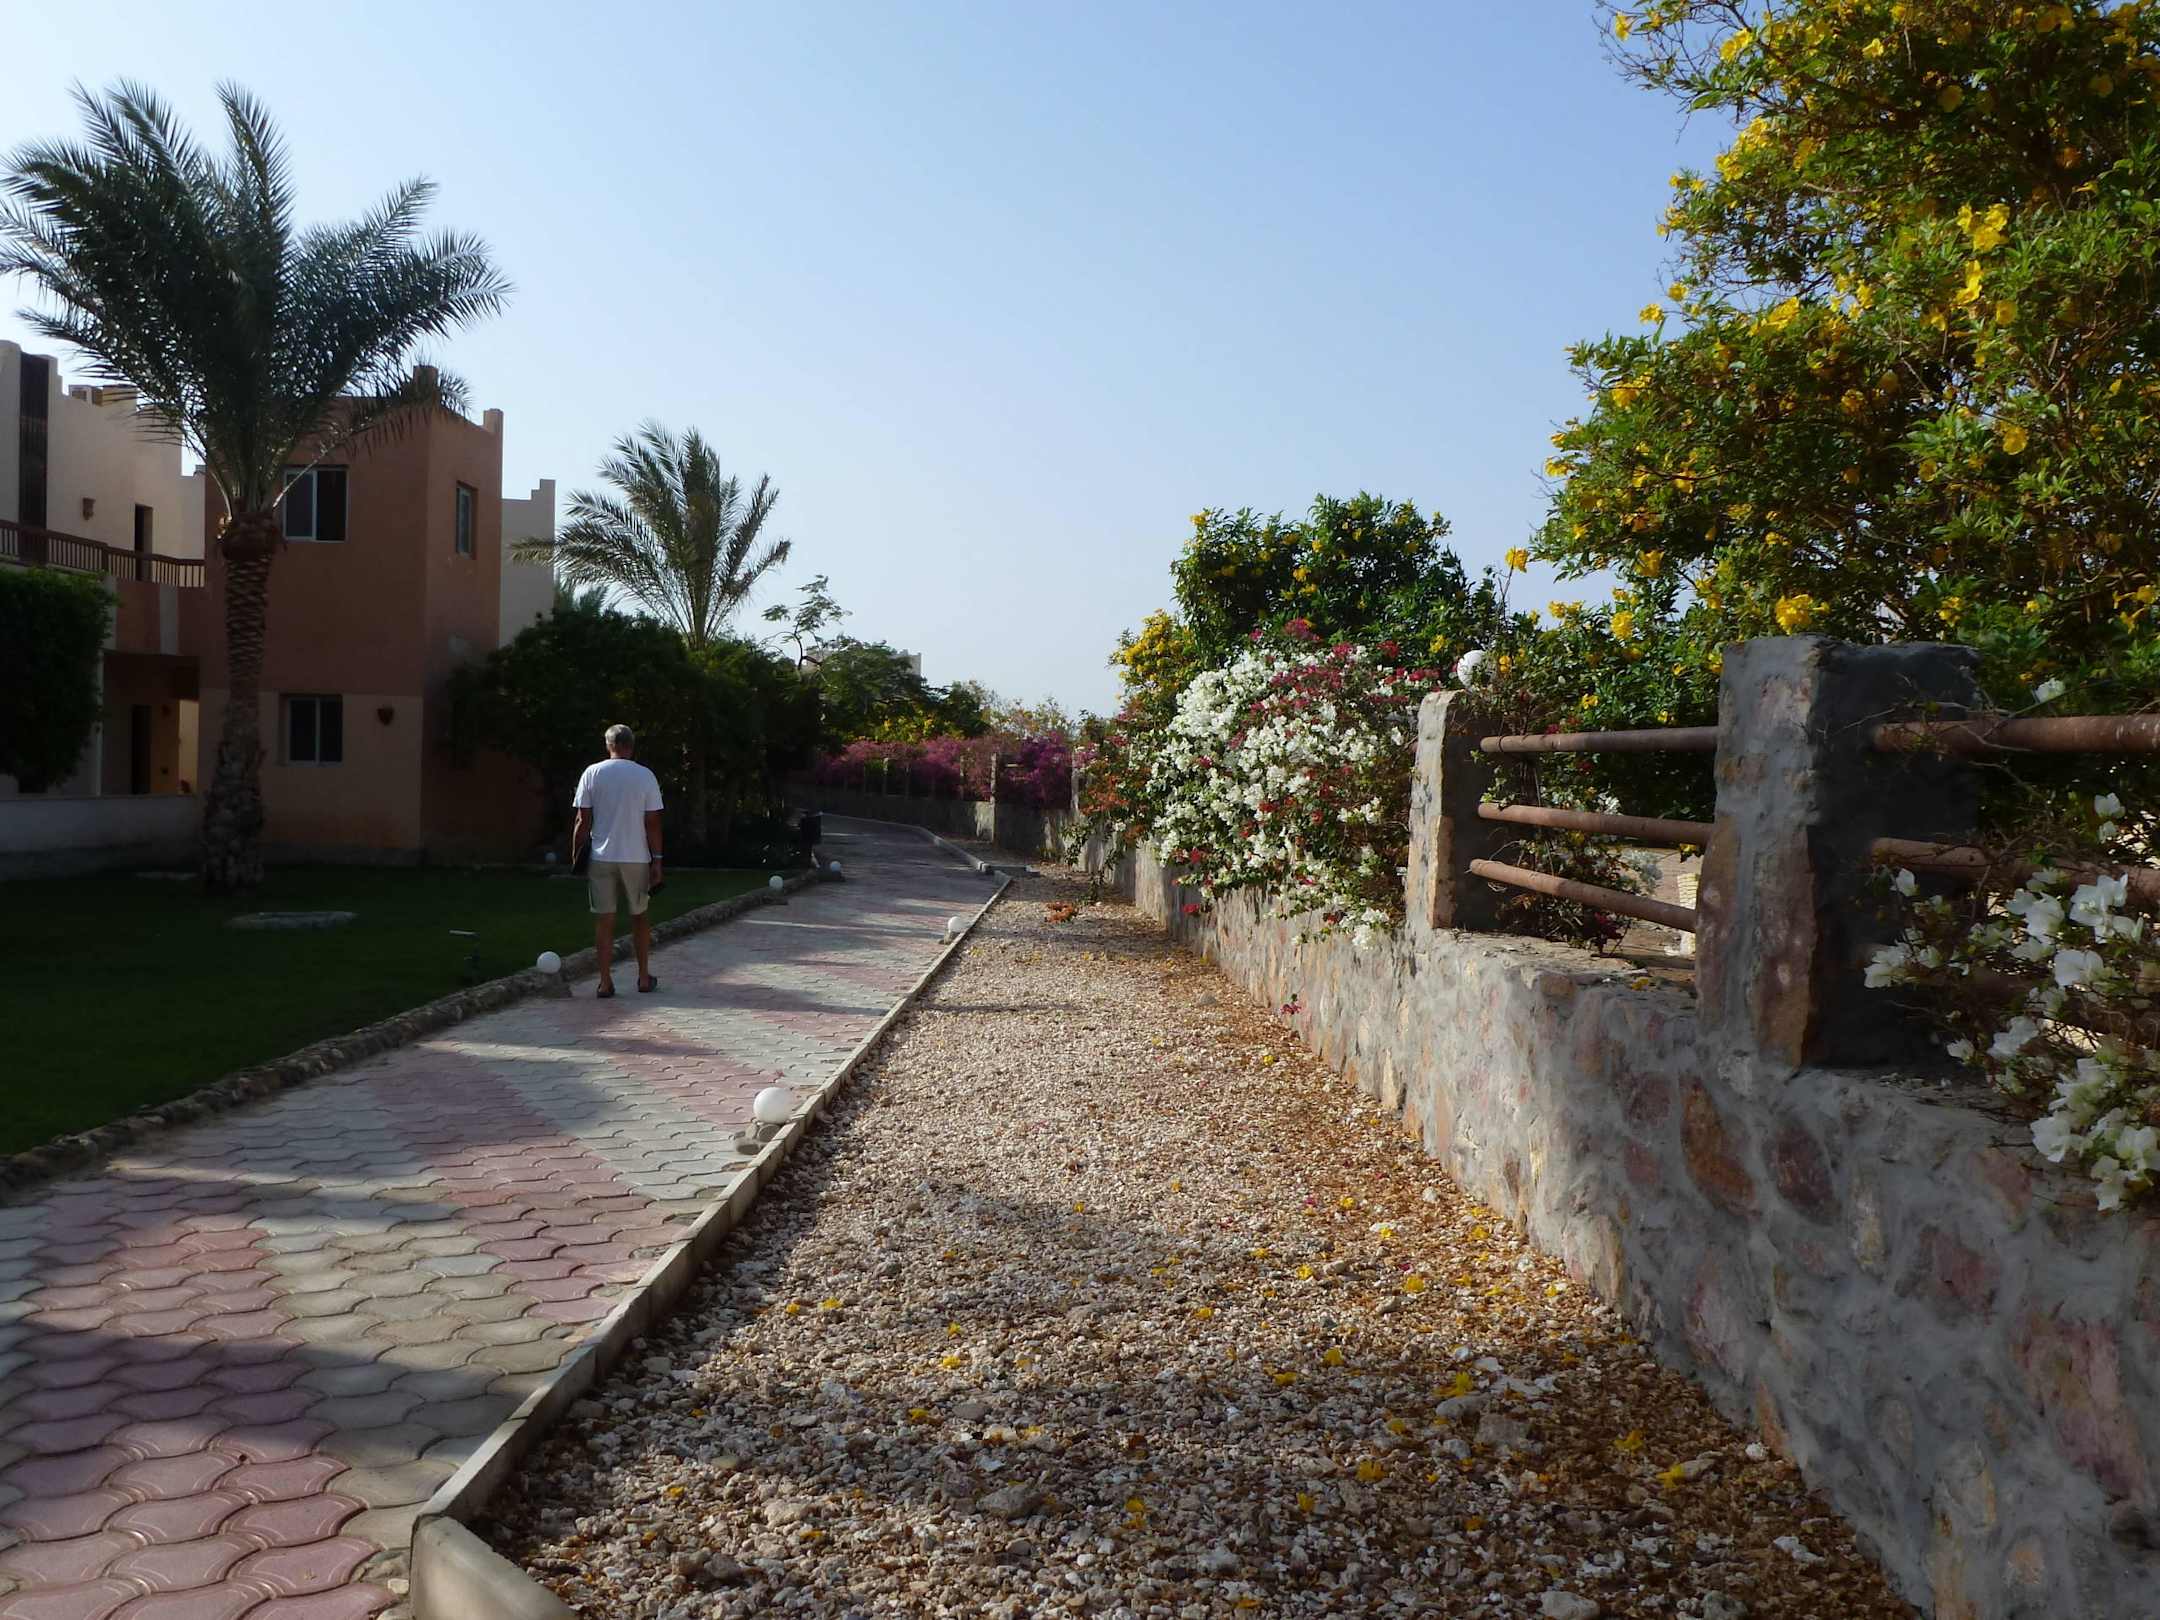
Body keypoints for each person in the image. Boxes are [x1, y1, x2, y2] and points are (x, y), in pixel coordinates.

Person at [570, 724, 665, 998]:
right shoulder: (645, 775)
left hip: (601, 857)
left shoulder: (592, 773)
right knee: (640, 917)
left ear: (608, 745)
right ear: (631, 746)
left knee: (604, 920)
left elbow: (582, 820)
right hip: (636, 857)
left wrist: (576, 853)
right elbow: (652, 822)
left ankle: (604, 982)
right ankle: (643, 977)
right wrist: (658, 860)